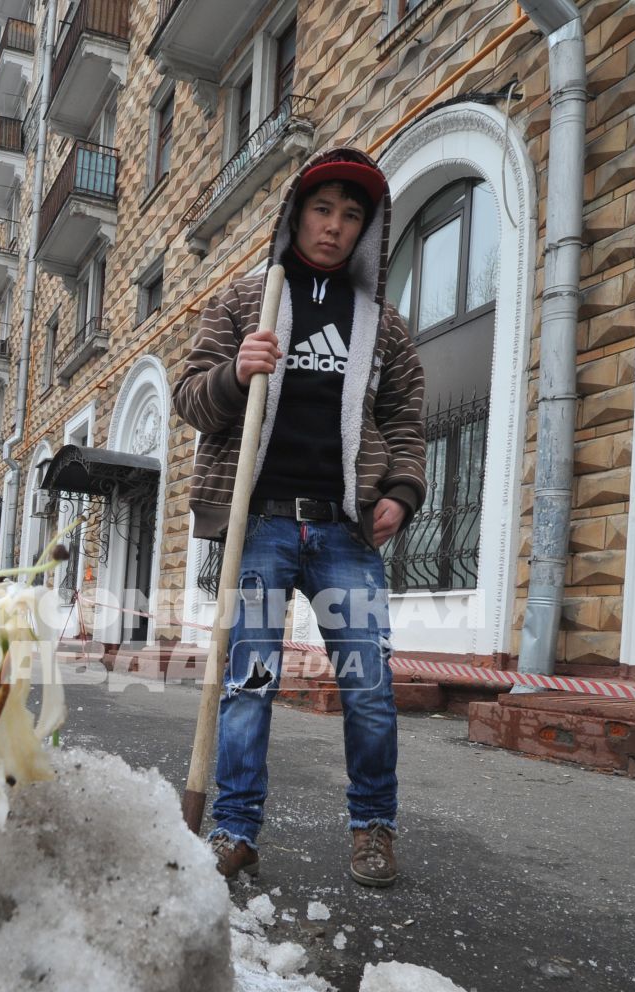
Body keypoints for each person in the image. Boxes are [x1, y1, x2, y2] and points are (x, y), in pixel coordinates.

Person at [173, 148, 427, 888]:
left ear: (365, 230)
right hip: (263, 524)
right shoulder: (245, 302)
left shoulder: (385, 327)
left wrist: (401, 492)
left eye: (351, 216)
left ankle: (373, 826)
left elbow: (407, 420)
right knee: (249, 680)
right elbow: (191, 399)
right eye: (323, 210)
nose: (335, 226)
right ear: (296, 215)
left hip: (344, 531)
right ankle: (235, 829)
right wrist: (234, 372)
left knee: (369, 685)